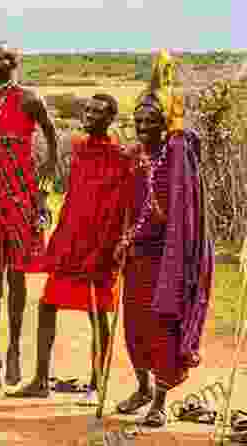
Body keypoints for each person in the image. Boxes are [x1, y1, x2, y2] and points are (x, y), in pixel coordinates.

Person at [9, 94, 135, 404]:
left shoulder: (120, 157)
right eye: (88, 109)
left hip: (99, 246)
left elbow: (117, 209)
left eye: (98, 112)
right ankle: (40, 380)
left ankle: (97, 385)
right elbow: (73, 197)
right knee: (47, 305)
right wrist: (59, 238)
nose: (90, 115)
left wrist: (104, 251)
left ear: (110, 119)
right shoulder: (78, 150)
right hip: (71, 242)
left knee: (98, 315)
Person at [112, 50, 214, 427]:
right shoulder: (137, 156)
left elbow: (179, 211)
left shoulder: (176, 154)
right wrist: (124, 238)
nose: (142, 126)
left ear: (163, 124)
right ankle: (141, 387)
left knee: (161, 329)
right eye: (137, 120)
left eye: (150, 120)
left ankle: (158, 401)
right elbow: (128, 203)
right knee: (134, 327)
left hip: (167, 259)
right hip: (138, 256)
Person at [0, 41, 59, 393]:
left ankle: (15, 346)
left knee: (17, 279)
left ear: (12, 62)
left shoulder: (29, 98)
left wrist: (45, 180)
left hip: (20, 193)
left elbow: (51, 137)